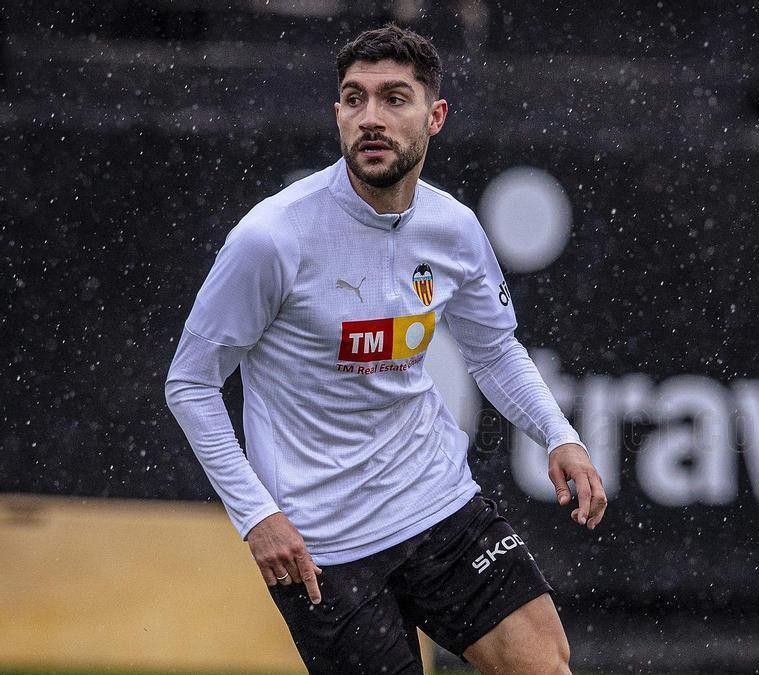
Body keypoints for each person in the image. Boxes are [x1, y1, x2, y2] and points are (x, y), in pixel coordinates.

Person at [164, 24, 606, 674]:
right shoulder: (271, 238)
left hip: (439, 504)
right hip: (324, 547)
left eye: (394, 98)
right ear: (338, 113)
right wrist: (257, 516)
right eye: (354, 98)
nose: (370, 117)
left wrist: (559, 434)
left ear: (435, 116)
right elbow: (191, 383)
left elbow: (493, 350)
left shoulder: (453, 227)